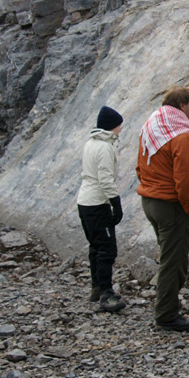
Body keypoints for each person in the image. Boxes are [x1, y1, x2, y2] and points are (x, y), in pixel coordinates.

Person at [136, 84, 189, 332]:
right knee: (173, 262)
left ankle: (166, 308)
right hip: (171, 206)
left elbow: (139, 165)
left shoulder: (153, 126)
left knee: (168, 257)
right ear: (181, 106)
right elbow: (187, 179)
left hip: (150, 200)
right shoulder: (181, 136)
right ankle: (166, 314)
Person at [77, 105, 126, 312]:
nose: (121, 129)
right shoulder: (105, 147)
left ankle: (96, 287)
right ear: (111, 126)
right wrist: (116, 203)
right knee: (107, 249)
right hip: (98, 203)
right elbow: (105, 178)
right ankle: (106, 293)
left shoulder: (90, 143)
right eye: (119, 125)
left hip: (84, 201)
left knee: (95, 246)